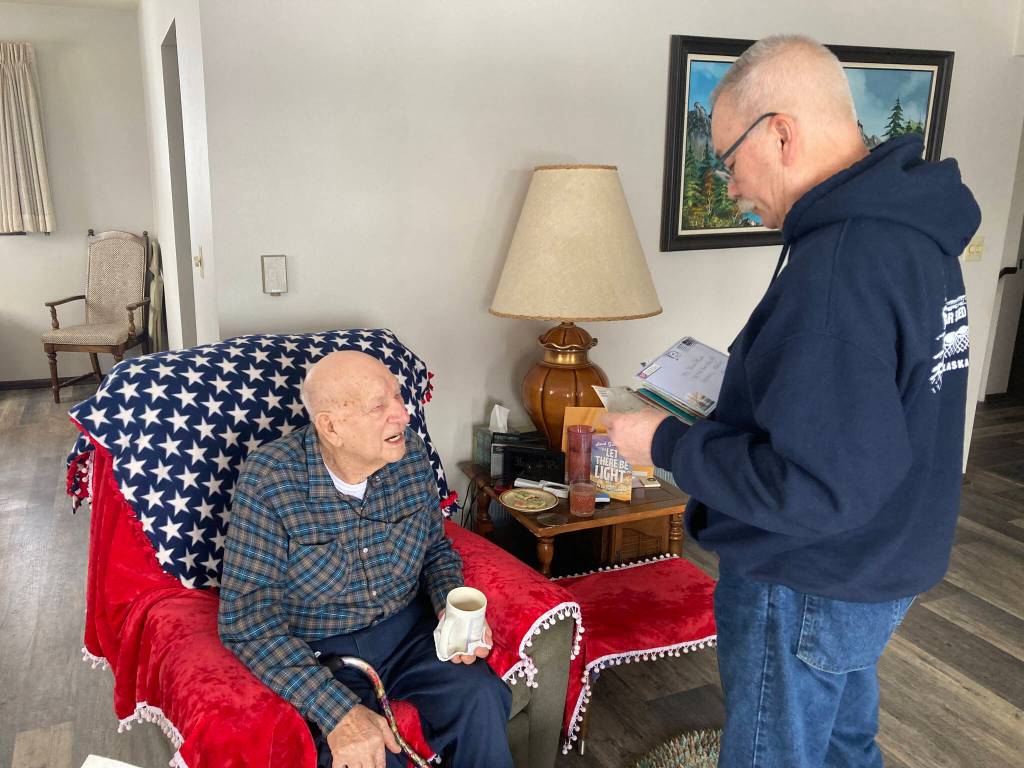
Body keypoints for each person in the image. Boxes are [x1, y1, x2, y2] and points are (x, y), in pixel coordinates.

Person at [605, 34, 980, 768]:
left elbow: (810, 487)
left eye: (728, 159)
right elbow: (882, 408)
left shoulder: (840, 265)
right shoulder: (912, 235)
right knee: (842, 739)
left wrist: (665, 445)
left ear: (781, 132)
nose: (731, 183)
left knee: (772, 751)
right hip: (884, 556)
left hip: (808, 575)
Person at [219, 350, 514, 768]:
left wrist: (452, 606)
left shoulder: (408, 455)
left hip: (410, 634)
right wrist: (335, 710)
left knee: (482, 698)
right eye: (379, 406)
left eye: (397, 397)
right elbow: (247, 620)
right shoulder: (270, 479)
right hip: (323, 653)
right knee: (369, 758)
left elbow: (435, 549)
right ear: (331, 427)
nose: (403, 415)